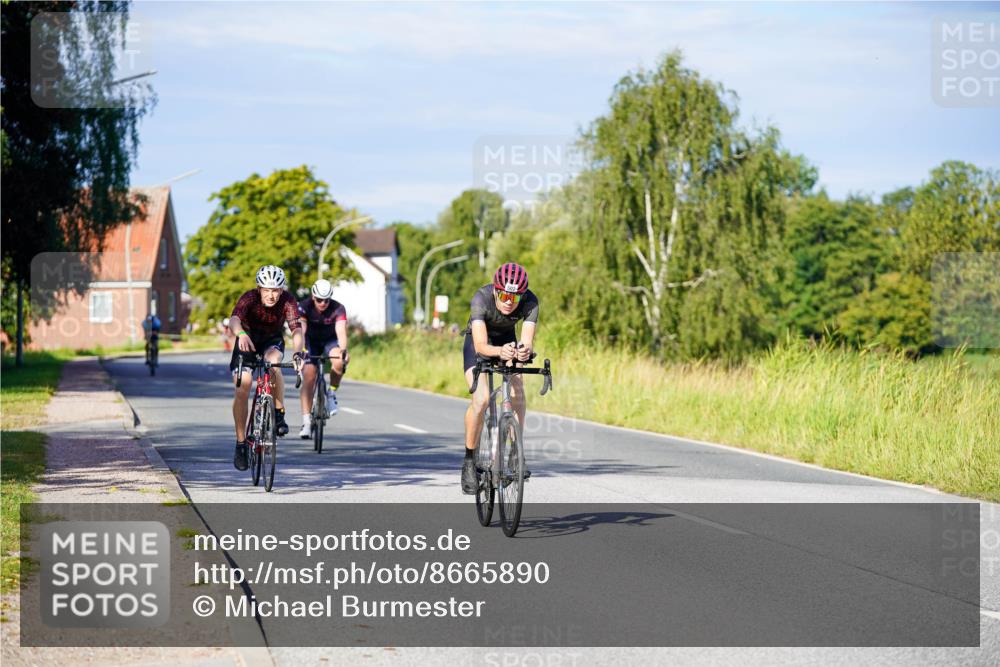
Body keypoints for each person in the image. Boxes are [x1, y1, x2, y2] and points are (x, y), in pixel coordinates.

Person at [461, 262, 538, 494]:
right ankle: (469, 460)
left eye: (514, 297)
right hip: (479, 344)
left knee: (518, 390)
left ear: (522, 296)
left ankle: (516, 453)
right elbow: (480, 345)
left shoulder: (531, 302)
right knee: (482, 399)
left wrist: (523, 352)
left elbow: (527, 341)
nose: (508, 301)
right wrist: (499, 352)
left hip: (507, 340)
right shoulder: (481, 299)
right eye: (504, 295)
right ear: (496, 290)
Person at [228, 265, 305, 471]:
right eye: (267, 290)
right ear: (259, 289)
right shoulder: (249, 298)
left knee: (273, 363)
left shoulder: (288, 301)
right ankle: (241, 443)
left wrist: (298, 353)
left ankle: (278, 412)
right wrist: (240, 334)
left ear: (281, 290)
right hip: (247, 340)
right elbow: (234, 320)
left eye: (276, 290)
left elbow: (296, 329)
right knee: (243, 385)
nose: (271, 295)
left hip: (271, 340)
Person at [297, 278, 350, 438]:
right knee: (309, 375)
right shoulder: (304, 306)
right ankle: (306, 422)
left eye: (326, 300)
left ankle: (331, 392)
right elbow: (301, 330)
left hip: (329, 341)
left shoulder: (338, 308)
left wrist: (343, 350)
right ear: (313, 296)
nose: (323, 303)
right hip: (311, 342)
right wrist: (301, 351)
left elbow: (341, 332)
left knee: (339, 361)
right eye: (319, 300)